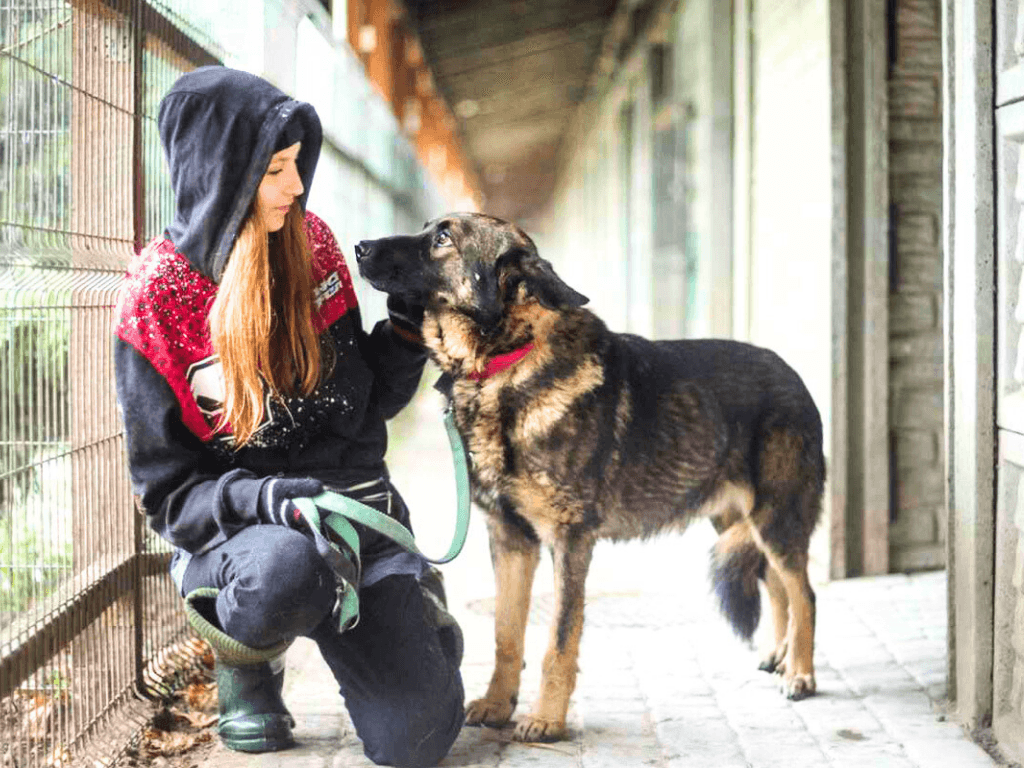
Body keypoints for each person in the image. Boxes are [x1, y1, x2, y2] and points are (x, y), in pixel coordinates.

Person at [113, 65, 464, 768]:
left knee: (418, 739)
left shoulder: (315, 246)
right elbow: (167, 496)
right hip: (248, 539)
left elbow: (362, 410)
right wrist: (264, 497)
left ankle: (402, 607)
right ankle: (246, 660)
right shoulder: (152, 305)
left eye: (297, 166)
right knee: (285, 572)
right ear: (222, 174)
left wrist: (406, 329)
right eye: (275, 170)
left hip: (352, 517)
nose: (296, 187)